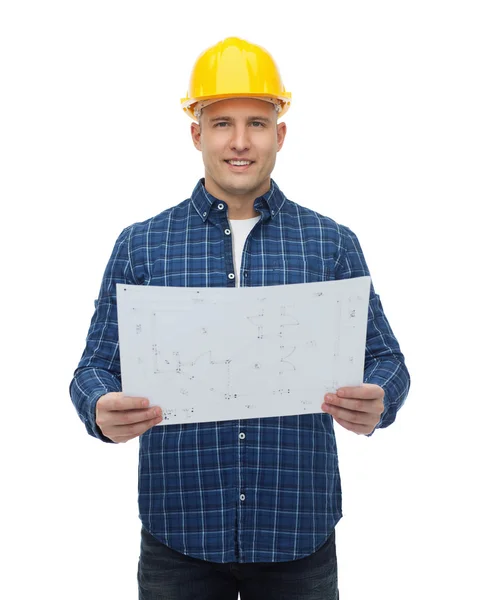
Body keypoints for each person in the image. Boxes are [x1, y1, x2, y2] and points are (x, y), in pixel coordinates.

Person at [70, 36, 410, 600]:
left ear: (280, 133)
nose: (240, 141)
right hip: (179, 533)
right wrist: (100, 407)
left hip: (297, 532)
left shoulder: (330, 243)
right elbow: (95, 366)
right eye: (222, 122)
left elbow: (386, 358)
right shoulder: (142, 244)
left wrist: (380, 396)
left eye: (257, 121)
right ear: (196, 133)